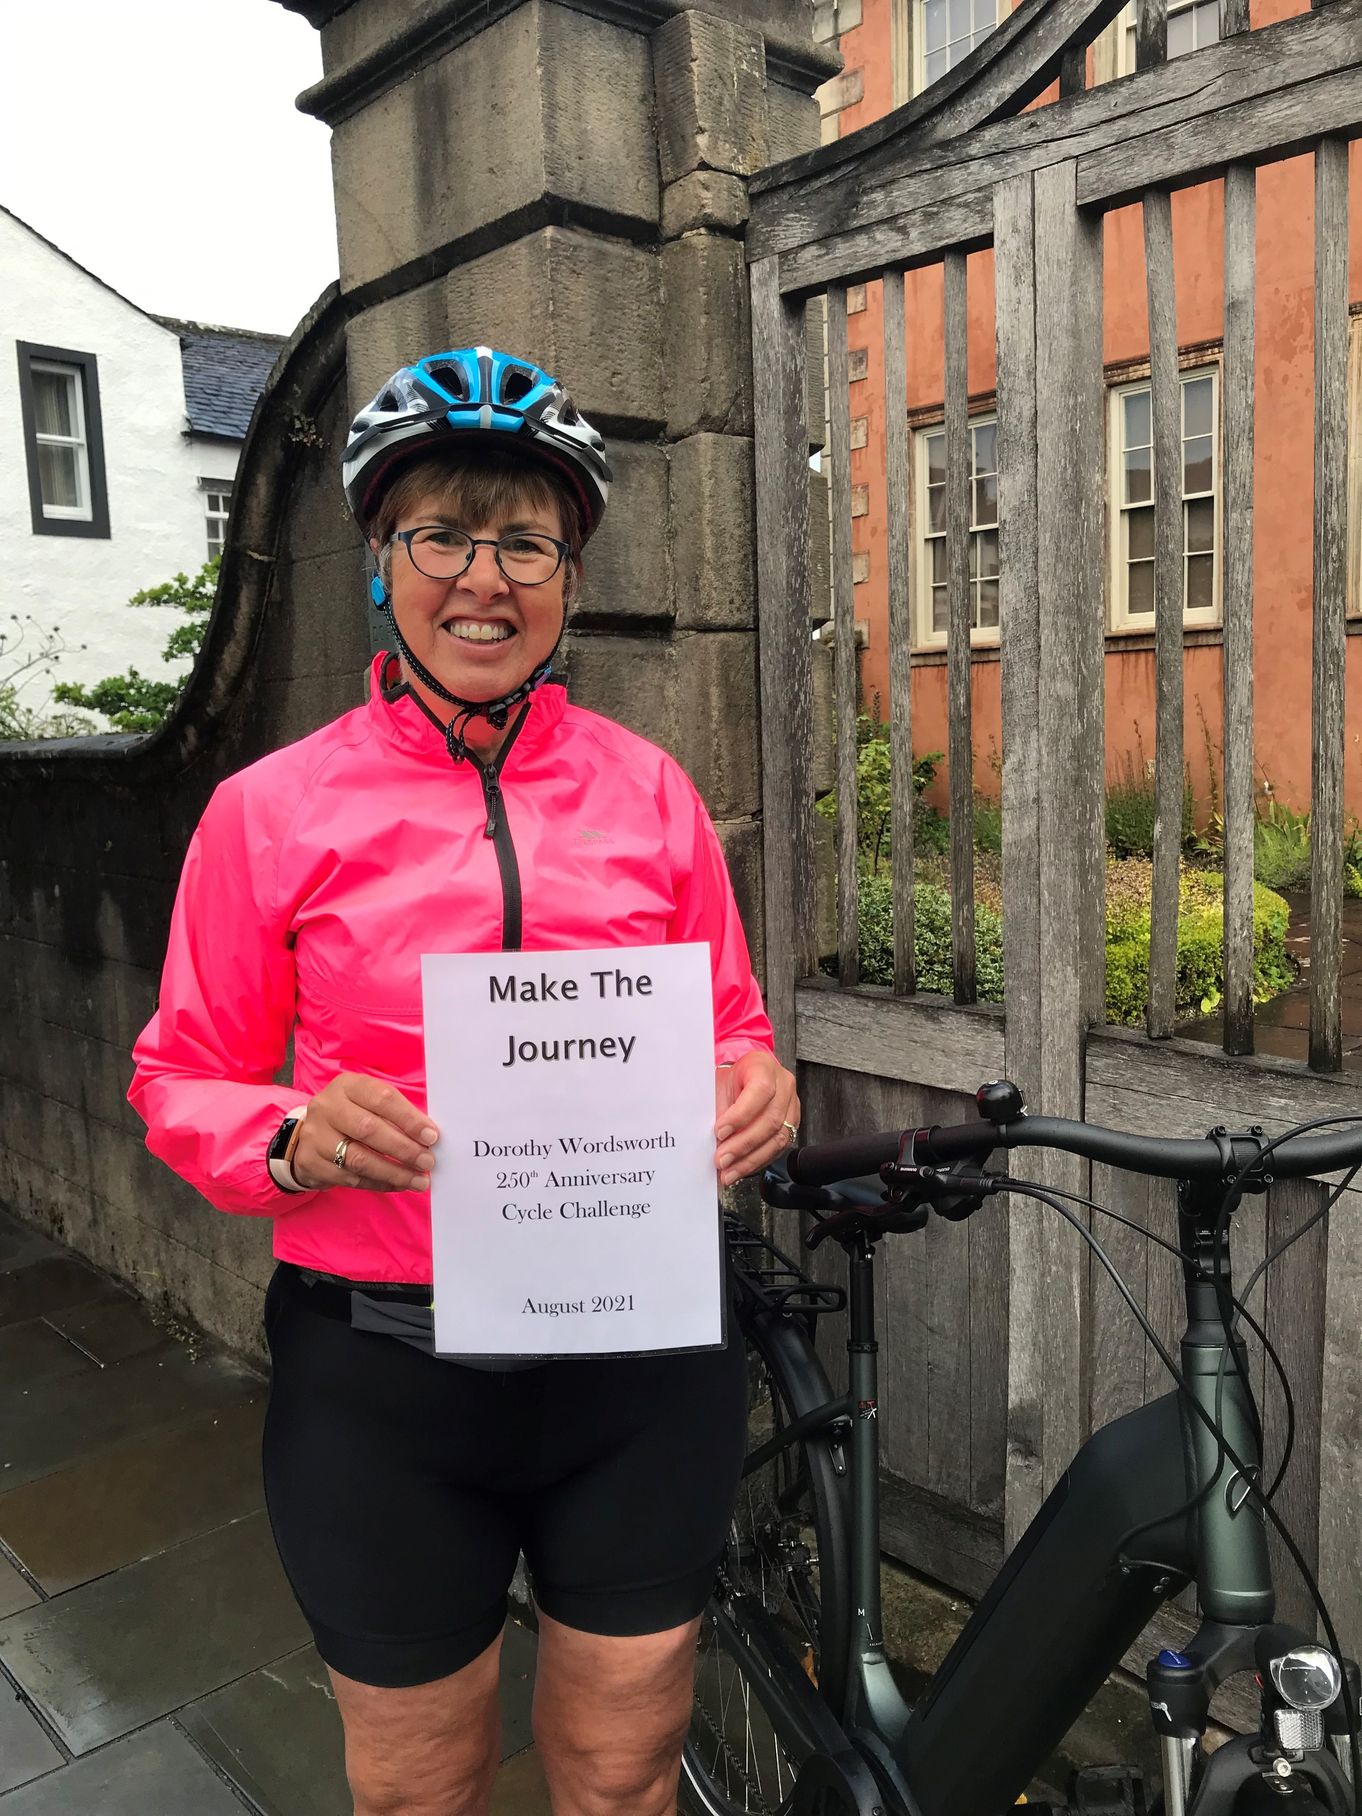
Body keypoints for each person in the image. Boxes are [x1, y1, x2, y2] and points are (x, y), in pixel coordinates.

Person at [129, 345, 800, 1816]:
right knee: (417, 1791)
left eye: (524, 542)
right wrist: (293, 1131)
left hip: (637, 1367)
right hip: (383, 1381)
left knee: (622, 1777)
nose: (481, 578)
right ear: (382, 558)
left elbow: (731, 1025)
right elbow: (183, 1074)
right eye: (442, 532)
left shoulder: (650, 792)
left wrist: (756, 1082)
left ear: (567, 578)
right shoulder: (270, 811)